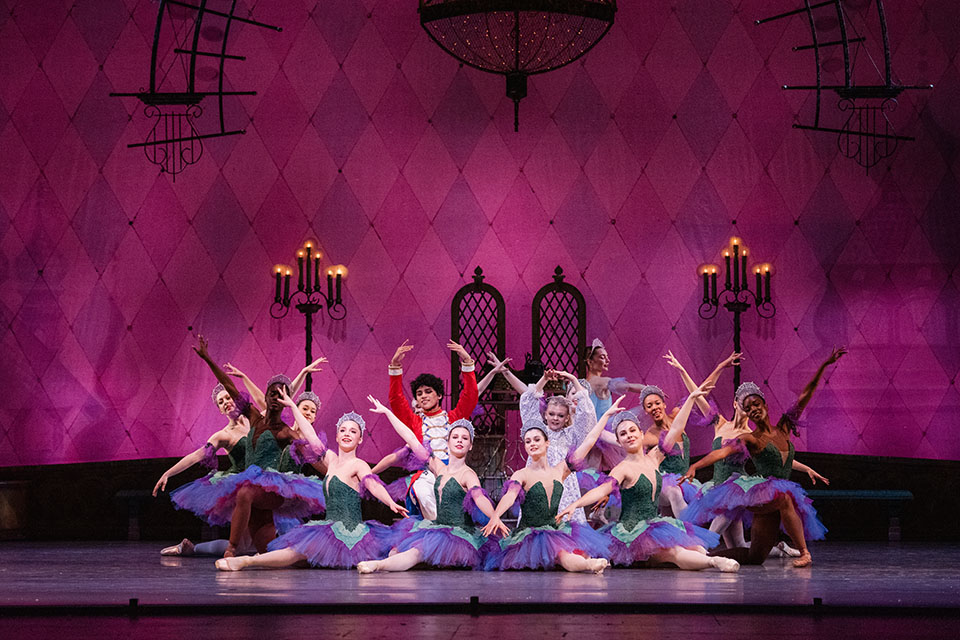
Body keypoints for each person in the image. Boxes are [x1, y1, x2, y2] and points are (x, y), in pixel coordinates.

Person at [680, 347, 847, 568]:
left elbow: (806, 395)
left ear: (765, 405)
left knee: (755, 557)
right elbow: (723, 452)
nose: (753, 409)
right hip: (762, 495)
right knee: (785, 498)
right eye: (748, 408)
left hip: (773, 499)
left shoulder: (784, 428)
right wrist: (696, 465)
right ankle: (805, 553)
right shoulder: (751, 438)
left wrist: (824, 365)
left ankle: (706, 559)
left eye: (756, 404)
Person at [556, 384, 739, 572]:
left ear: (641, 434)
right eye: (623, 434)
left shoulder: (655, 457)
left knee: (692, 547)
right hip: (630, 534)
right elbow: (601, 490)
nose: (629, 436)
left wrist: (691, 398)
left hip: (653, 526)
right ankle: (714, 562)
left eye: (632, 431)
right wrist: (575, 504)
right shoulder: (623, 468)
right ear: (619, 441)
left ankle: (712, 559)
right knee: (673, 552)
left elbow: (676, 429)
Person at [216, 408, 408, 571]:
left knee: (392, 549)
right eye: (343, 430)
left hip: (354, 534)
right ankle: (247, 561)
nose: (347, 433)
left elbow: (372, 484)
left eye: (353, 431)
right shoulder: (331, 461)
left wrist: (390, 501)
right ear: (337, 436)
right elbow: (310, 436)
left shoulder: (359, 464)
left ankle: (379, 565)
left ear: (359, 439)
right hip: (329, 530)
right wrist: (292, 405)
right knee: (296, 551)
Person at [190, 336, 326, 557]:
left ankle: (231, 551)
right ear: (265, 396)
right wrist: (207, 358)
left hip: (272, 490)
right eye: (273, 393)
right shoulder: (253, 417)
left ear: (287, 400)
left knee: (244, 493)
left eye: (282, 394)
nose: (276, 397)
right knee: (266, 554)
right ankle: (302, 557)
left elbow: (312, 458)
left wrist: (336, 476)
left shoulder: (285, 432)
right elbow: (229, 386)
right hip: (254, 490)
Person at [357, 402, 506, 573]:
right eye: (455, 437)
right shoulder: (438, 467)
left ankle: (377, 565)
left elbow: (479, 497)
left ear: (470, 446)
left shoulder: (468, 474)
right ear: (447, 442)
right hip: (437, 527)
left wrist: (494, 516)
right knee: (396, 550)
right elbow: (412, 440)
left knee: (416, 553)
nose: (459, 440)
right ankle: (386, 563)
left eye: (464, 438)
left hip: (458, 534)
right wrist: (388, 413)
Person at [479, 396, 613, 574]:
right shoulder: (523, 474)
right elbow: (510, 496)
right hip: (529, 534)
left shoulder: (560, 470)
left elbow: (588, 442)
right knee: (561, 555)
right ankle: (589, 565)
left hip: (553, 530)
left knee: (563, 553)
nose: (532, 444)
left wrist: (606, 416)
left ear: (547, 442)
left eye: (536, 440)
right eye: (528, 441)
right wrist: (496, 515)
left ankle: (588, 564)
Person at [156, 383, 252, 556]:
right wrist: (168, 473)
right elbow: (197, 455)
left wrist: (304, 373)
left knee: (248, 544)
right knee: (242, 547)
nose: (225, 402)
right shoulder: (224, 435)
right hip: (242, 486)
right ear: (221, 411)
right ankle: (190, 549)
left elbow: (277, 401)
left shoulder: (255, 421)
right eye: (221, 402)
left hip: (265, 481)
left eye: (228, 397)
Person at [386, 339, 478, 519]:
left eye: (428, 391)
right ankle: (439, 528)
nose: (423, 396)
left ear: (439, 395)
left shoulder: (453, 418)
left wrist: (467, 363)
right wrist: (395, 367)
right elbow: (396, 400)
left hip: (453, 470)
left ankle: (451, 527)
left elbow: (470, 395)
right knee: (420, 490)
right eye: (419, 394)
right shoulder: (415, 421)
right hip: (427, 471)